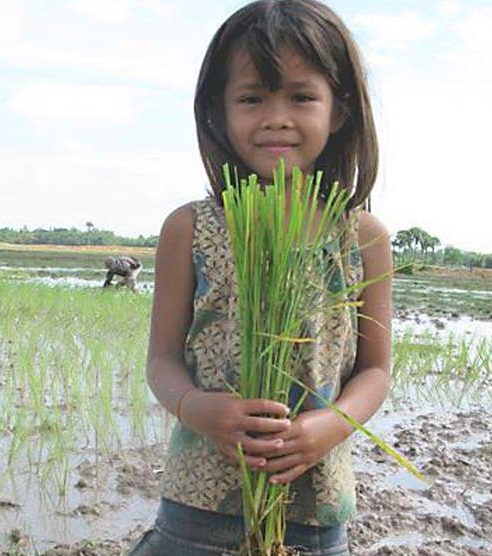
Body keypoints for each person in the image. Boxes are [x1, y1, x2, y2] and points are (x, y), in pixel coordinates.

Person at [129, 1, 392, 554]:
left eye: (301, 97)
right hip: (199, 508)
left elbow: (375, 371)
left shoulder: (363, 237)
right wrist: (197, 408)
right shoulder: (191, 228)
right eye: (251, 98)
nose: (276, 118)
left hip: (315, 507)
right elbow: (162, 361)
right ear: (218, 112)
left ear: (339, 110)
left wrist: (330, 426)